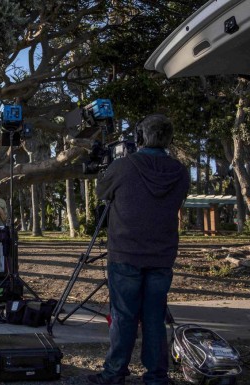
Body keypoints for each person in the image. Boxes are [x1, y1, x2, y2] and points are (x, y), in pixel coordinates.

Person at [88, 114, 190, 385]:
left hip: (126, 253)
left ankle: (115, 373)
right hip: (162, 255)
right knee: (155, 317)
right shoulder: (180, 171)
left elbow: (101, 190)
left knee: (124, 316)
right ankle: (157, 376)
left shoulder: (124, 166)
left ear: (140, 137)